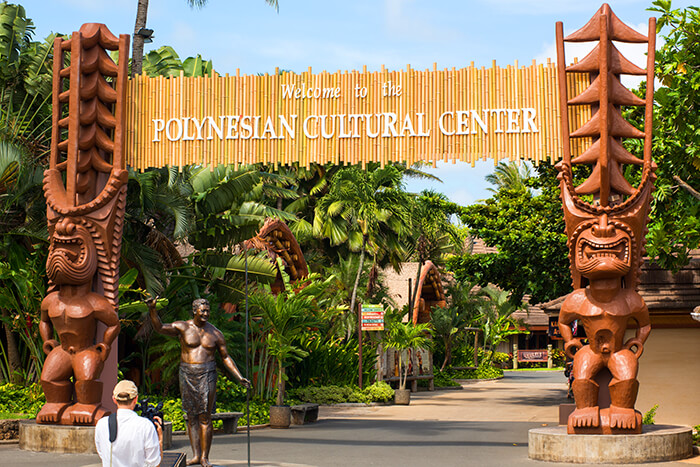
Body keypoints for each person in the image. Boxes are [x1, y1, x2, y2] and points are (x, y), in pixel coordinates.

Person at [148, 298, 251, 467]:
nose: (205, 314)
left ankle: (204, 457)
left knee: (205, 416)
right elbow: (159, 328)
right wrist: (152, 310)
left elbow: (225, 357)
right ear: (194, 310)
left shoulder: (216, 333)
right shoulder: (183, 327)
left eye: (207, 311)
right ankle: (196, 455)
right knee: (191, 416)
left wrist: (239, 376)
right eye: (202, 311)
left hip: (207, 373)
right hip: (187, 373)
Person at [94, 380, 162, 467]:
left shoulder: (102, 424)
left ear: (114, 399)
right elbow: (154, 464)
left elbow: (102, 453)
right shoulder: (145, 426)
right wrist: (160, 441)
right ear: (136, 399)